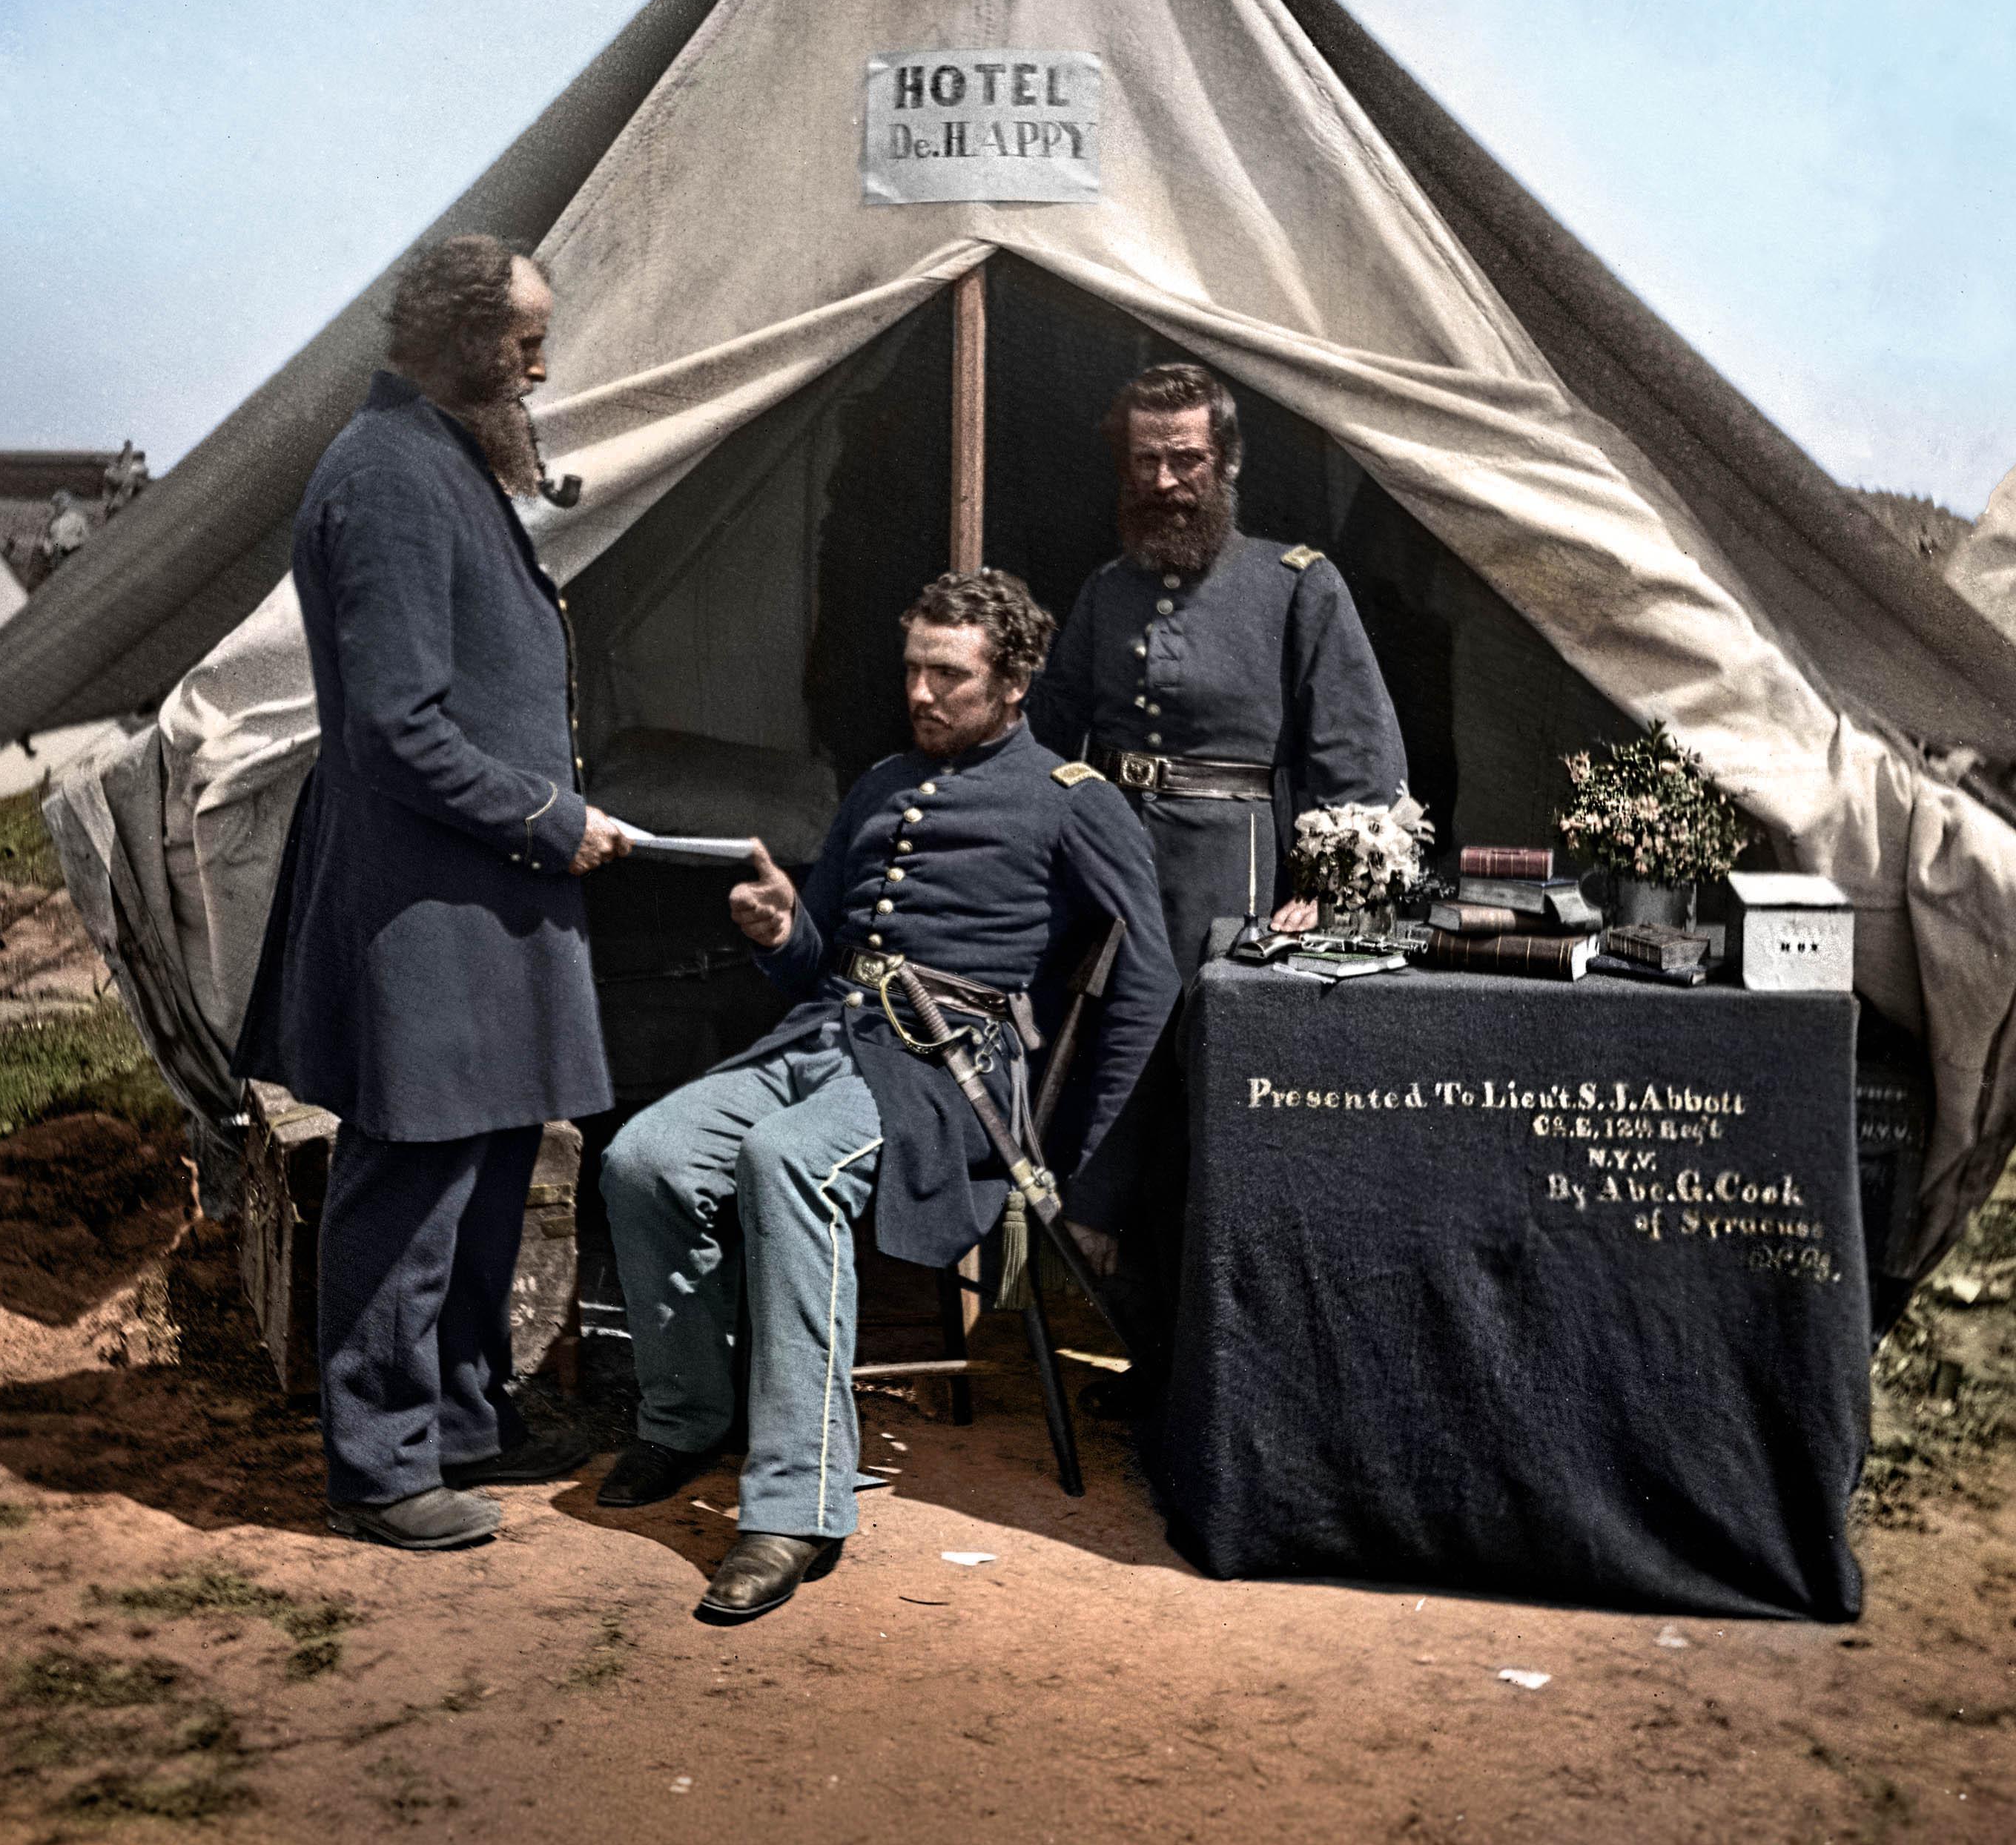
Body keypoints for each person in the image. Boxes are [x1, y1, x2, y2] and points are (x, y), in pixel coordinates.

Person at [596, 569, 1177, 1625]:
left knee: (786, 1160)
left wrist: (1091, 1167)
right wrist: (781, 930)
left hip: (947, 1071)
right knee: (645, 1155)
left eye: (946, 673)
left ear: (1012, 685)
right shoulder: (876, 783)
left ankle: (795, 1502)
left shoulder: (1072, 802)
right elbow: (820, 960)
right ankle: (687, 1417)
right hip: (822, 1038)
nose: (920, 692)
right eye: (911, 666)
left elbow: (1147, 984)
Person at [236, 234, 630, 1554]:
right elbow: (397, 730)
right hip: (429, 900)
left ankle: (465, 1416)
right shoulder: (392, 476)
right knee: (407, 1184)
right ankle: (381, 1463)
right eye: (524, 339)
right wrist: (547, 817)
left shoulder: (439, 457)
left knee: (490, 1163)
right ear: (461, 339)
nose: (539, 362)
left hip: (483, 895)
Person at [1025, 360, 1407, 980]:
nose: (1163, 479)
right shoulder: (1107, 589)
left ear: (1227, 461)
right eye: (1145, 461)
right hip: (1111, 859)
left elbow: (1359, 753)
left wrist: (1325, 890)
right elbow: (1052, 728)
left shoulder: (1297, 584)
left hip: (1235, 869)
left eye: (1186, 459)